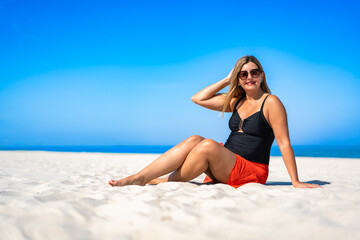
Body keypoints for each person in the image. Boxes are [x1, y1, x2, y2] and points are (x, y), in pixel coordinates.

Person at [109, 55, 321, 188]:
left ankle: (152, 179)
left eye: (254, 72)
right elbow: (198, 98)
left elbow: (284, 143)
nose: (249, 77)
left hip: (252, 170)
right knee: (195, 139)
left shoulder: (271, 102)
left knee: (207, 145)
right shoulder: (236, 102)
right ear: (238, 78)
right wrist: (227, 79)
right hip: (226, 161)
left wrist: (295, 181)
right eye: (243, 74)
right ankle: (141, 176)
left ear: (262, 76)